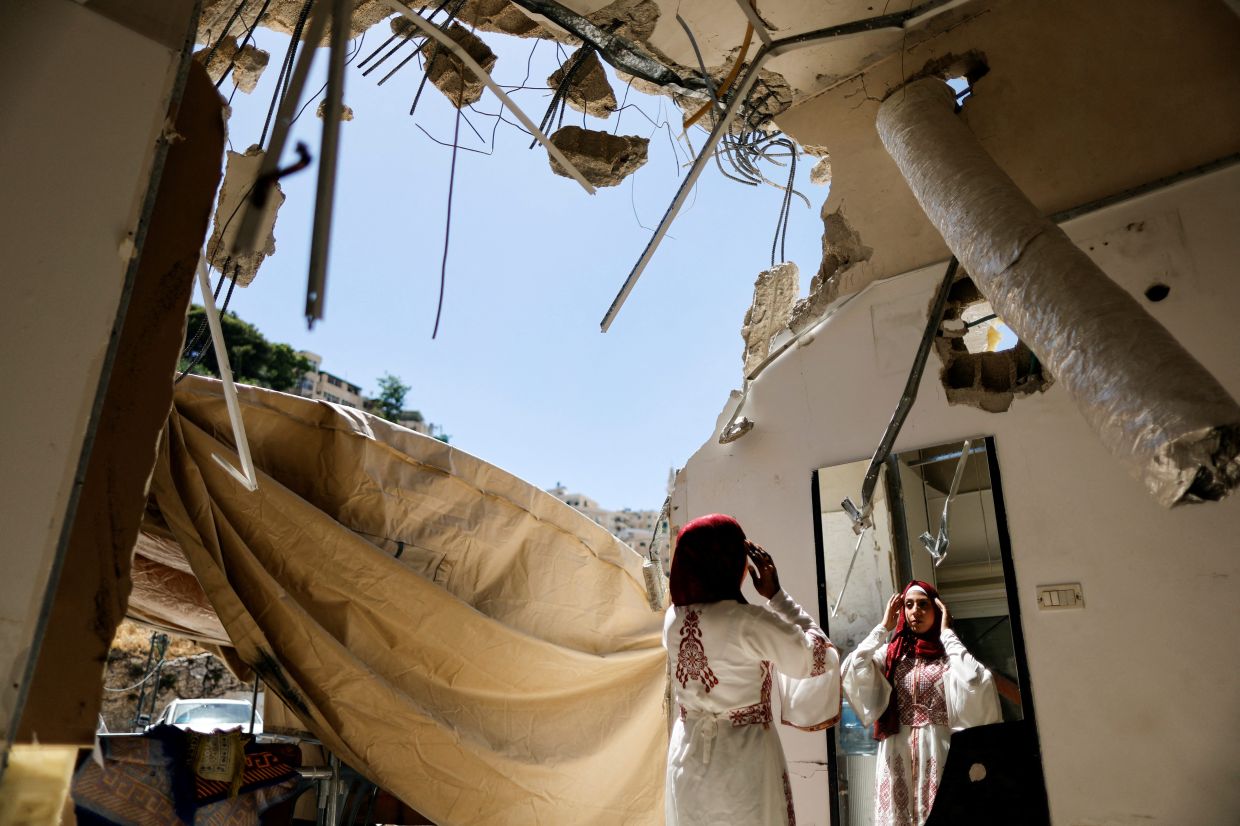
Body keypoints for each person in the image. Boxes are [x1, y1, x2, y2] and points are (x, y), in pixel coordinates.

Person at [664, 514, 840, 826]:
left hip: (687, 755)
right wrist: (777, 597)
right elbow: (820, 658)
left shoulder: (672, 621)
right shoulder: (749, 622)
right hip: (744, 758)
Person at [841, 580, 1001, 826]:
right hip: (896, 749)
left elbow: (977, 680)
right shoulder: (892, 653)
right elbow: (853, 668)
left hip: (938, 749)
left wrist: (947, 634)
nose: (915, 611)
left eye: (924, 605)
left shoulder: (949, 656)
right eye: (909, 605)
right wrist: (883, 628)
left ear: (938, 611)